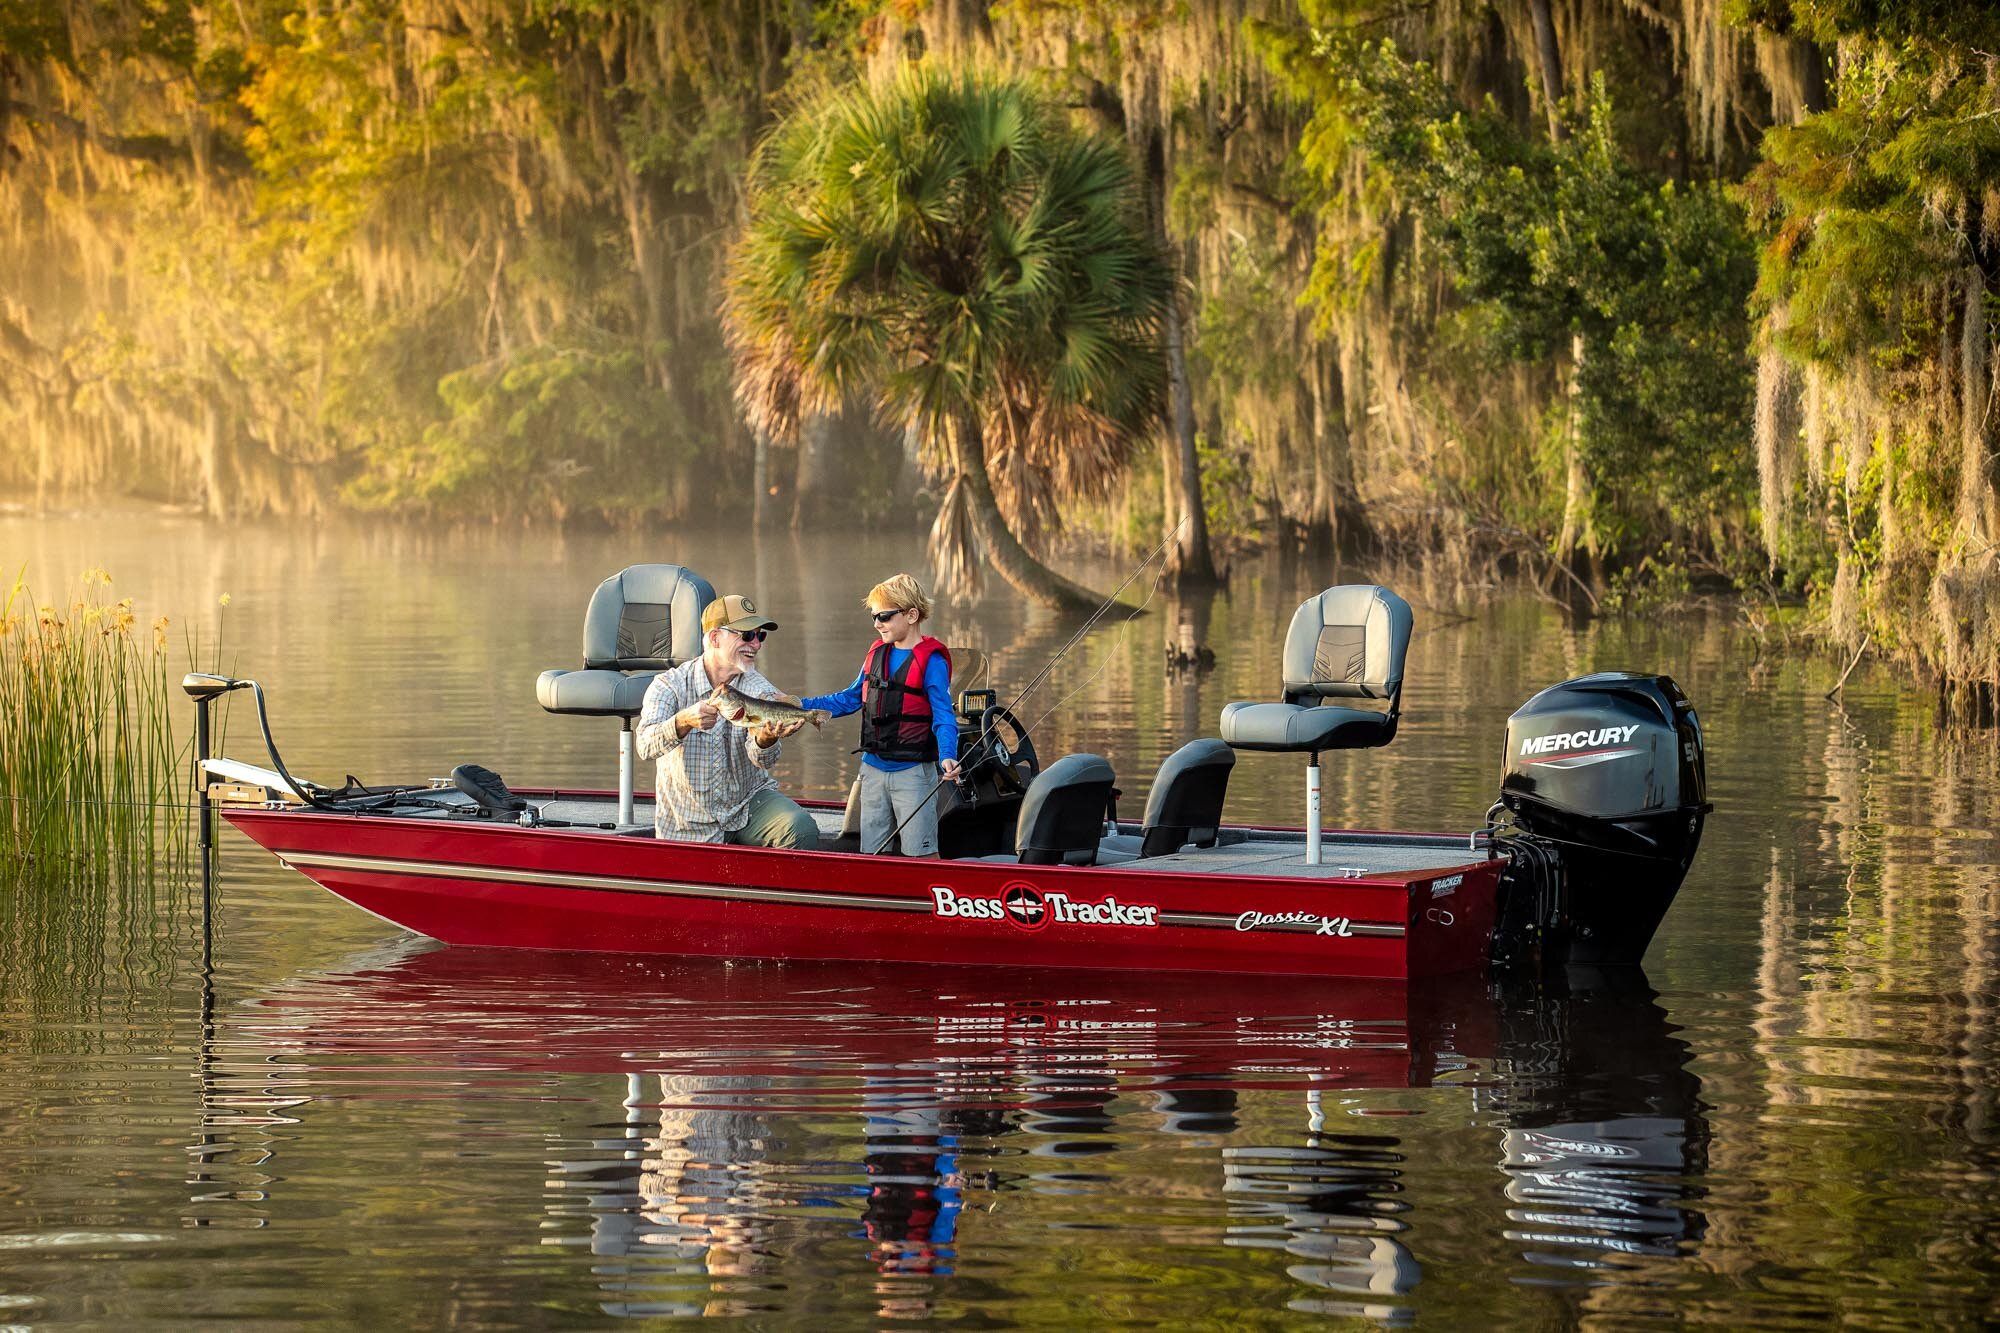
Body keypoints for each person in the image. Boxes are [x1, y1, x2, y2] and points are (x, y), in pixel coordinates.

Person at [633, 593, 819, 848]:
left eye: (760, 635)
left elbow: (765, 760)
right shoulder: (668, 686)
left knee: (801, 829)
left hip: (746, 805)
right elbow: (644, 747)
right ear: (714, 637)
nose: (756, 644)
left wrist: (766, 739)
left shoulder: (761, 689)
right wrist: (682, 721)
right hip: (687, 819)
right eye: (746, 635)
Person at [799, 574, 960, 857]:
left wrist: (948, 754)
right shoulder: (876, 653)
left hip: (913, 774)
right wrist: (799, 706)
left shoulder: (932, 662)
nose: (877, 624)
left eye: (884, 616)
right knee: (872, 854)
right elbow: (849, 699)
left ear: (911, 615)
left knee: (920, 855)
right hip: (871, 770)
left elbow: (943, 715)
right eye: (874, 617)